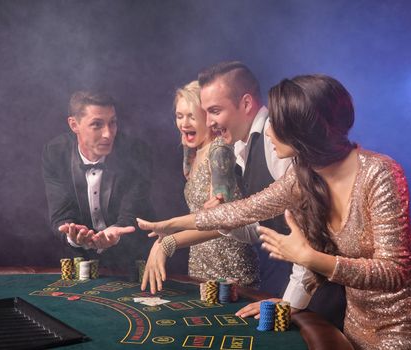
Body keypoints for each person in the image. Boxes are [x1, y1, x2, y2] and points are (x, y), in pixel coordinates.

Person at [139, 74, 411, 349]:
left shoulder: (381, 173)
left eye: (278, 124)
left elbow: (395, 272)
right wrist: (174, 225)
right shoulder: (303, 173)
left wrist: (311, 259)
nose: (269, 131)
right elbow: (244, 210)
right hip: (356, 319)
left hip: (403, 324)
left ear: (302, 131)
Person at [140, 61, 347, 331]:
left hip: (324, 287)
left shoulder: (277, 141)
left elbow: (313, 234)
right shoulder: (240, 147)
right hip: (299, 283)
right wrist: (220, 221)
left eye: (215, 111)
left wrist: (291, 301)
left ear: (246, 104)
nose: (210, 121)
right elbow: (256, 225)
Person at [144, 81, 258, 289]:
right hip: (199, 266)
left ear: (207, 118)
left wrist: (168, 242)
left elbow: (223, 221)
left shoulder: (219, 151)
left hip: (229, 271)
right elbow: (199, 213)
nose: (184, 123)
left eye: (191, 116)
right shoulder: (191, 153)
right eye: (179, 116)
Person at [42, 91, 155, 269]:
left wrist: (115, 233)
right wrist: (74, 235)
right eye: (97, 124)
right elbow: (60, 215)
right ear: (74, 124)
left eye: (113, 123)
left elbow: (132, 213)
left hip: (131, 259)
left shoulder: (136, 151)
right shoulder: (55, 153)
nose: (108, 134)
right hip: (81, 261)